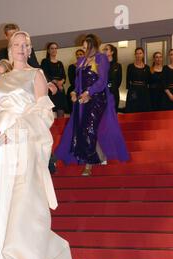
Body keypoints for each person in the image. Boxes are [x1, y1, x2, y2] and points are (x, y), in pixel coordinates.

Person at [0, 31, 107, 259]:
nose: (21, 49)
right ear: (9, 48)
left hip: (22, 144)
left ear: (30, 48)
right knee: (0, 197)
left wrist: (15, 130)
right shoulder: (1, 79)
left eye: (25, 45)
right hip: (0, 149)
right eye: (16, 45)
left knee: (21, 200)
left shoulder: (36, 74)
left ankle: (21, 257)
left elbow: (43, 112)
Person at [55, 34, 129, 176]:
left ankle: (88, 164)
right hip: (82, 100)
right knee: (82, 128)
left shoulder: (101, 58)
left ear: (93, 46)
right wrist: (74, 93)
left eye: (86, 47)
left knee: (89, 127)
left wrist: (89, 92)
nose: (84, 50)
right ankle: (98, 157)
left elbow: (102, 81)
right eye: (83, 47)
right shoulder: (81, 60)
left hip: (97, 99)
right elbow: (77, 82)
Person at [41, 42, 68, 118]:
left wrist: (61, 82)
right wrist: (56, 83)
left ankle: (61, 129)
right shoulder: (45, 61)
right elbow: (45, 74)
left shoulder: (60, 63)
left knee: (61, 110)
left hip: (60, 89)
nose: (54, 50)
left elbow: (64, 76)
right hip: (50, 89)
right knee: (51, 112)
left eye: (56, 48)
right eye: (52, 48)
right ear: (48, 50)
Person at [125, 47, 151, 113]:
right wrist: (130, 90)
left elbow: (149, 80)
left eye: (140, 53)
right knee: (133, 108)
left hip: (144, 91)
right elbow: (128, 79)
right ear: (135, 55)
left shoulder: (147, 67)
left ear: (143, 54)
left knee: (143, 109)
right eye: (137, 53)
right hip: (134, 90)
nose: (138, 55)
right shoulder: (130, 66)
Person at [103, 44, 122, 111]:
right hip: (103, 92)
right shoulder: (101, 65)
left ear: (112, 52)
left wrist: (112, 86)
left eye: (106, 49)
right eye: (104, 49)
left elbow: (119, 81)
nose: (104, 51)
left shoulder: (118, 66)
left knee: (114, 112)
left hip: (114, 92)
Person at [66, 49, 85, 114]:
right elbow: (71, 80)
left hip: (85, 91)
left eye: (80, 54)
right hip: (74, 89)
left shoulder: (87, 66)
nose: (78, 56)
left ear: (84, 55)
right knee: (74, 112)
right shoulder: (71, 67)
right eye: (77, 54)